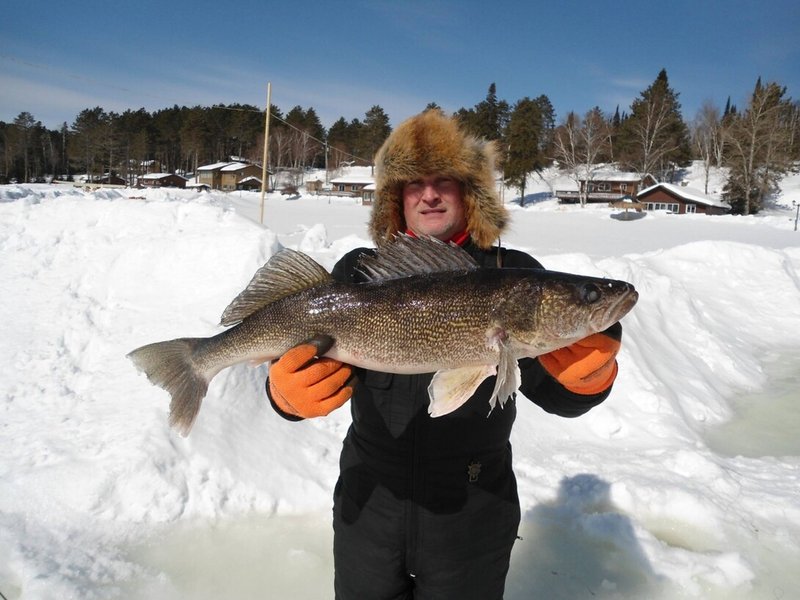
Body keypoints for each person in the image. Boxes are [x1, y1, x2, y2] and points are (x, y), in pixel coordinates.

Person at [266, 110, 623, 599]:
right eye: (414, 183)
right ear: (396, 198)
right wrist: (283, 395)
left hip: (472, 513)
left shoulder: (514, 276)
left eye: (445, 181)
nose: (429, 194)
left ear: (469, 192)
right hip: (369, 505)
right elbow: (298, 356)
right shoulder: (360, 271)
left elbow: (557, 394)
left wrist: (587, 381)